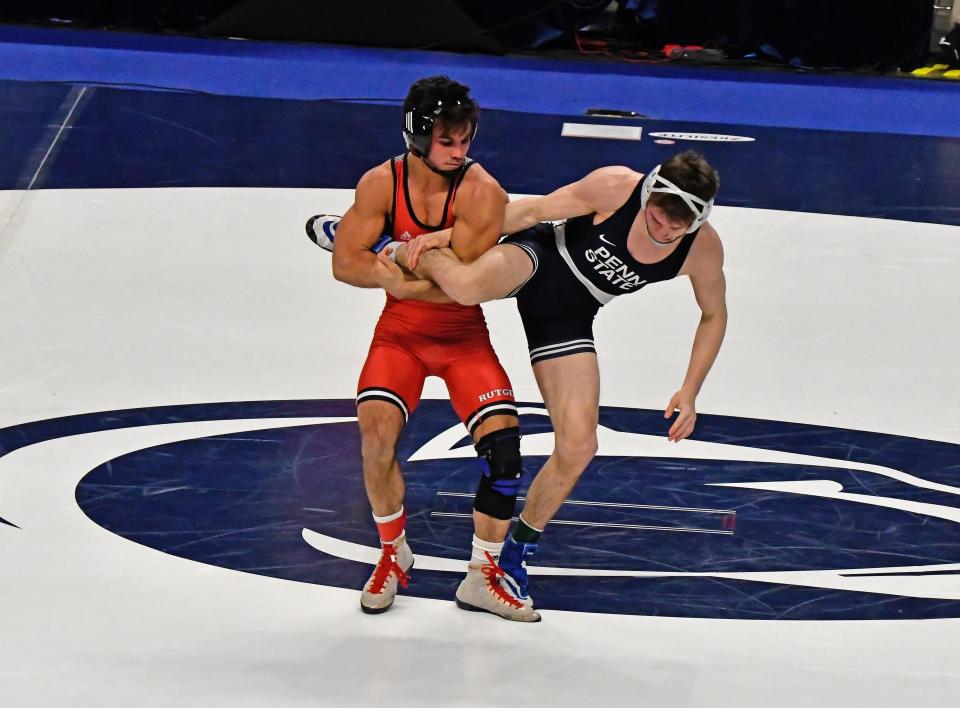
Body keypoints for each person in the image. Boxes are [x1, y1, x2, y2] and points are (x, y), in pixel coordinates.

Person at [394, 151, 727, 601]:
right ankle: (398, 248)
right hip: (540, 257)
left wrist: (690, 390)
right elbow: (530, 211)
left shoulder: (702, 248)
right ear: (649, 193)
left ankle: (514, 555)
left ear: (698, 220)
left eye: (676, 227)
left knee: (579, 445)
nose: (663, 231)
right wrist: (445, 237)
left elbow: (713, 314)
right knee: (467, 285)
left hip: (568, 315)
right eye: (657, 217)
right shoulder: (615, 187)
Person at [326, 76, 540, 621]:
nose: (459, 151)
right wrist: (389, 275)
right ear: (418, 135)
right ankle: (393, 553)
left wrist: (396, 268)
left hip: (462, 334)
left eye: (465, 139)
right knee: (375, 440)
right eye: (448, 140)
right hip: (401, 333)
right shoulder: (380, 183)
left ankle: (483, 576)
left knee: (505, 457)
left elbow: (463, 279)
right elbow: (342, 263)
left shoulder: (483, 192)